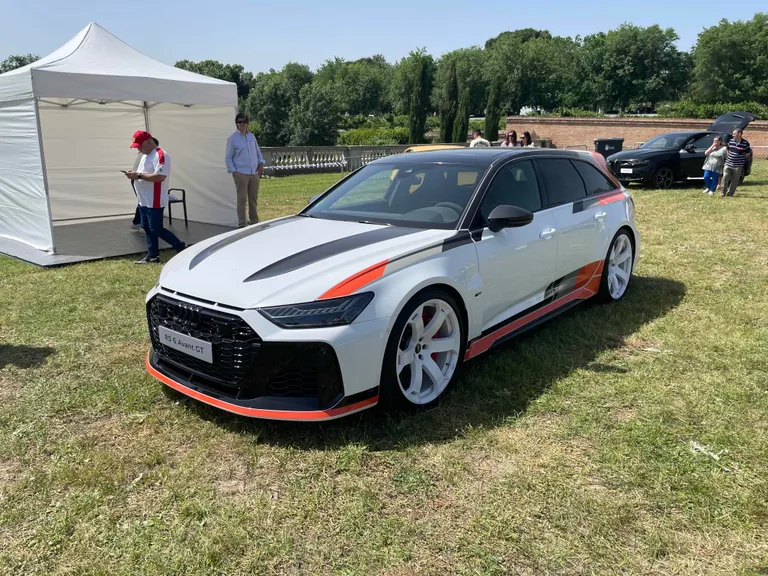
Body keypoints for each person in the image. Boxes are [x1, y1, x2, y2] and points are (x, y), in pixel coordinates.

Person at [126, 130, 185, 264]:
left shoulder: (160, 155)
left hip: (155, 199)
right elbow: (144, 173)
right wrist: (135, 174)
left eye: (140, 146)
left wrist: (138, 175)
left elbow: (160, 177)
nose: (139, 150)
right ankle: (152, 255)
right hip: (144, 199)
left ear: (149, 141)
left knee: (156, 228)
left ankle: (180, 247)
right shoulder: (145, 155)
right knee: (147, 227)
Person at [225, 113, 264, 227]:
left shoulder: (252, 137)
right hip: (241, 173)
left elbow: (257, 152)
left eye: (244, 122)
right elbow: (228, 157)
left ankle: (254, 221)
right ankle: (242, 223)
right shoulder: (232, 139)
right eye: (240, 122)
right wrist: (234, 171)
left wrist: (261, 163)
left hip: (254, 172)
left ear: (247, 124)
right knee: (242, 199)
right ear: (236, 124)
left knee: (253, 199)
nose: (242, 124)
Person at [131, 137, 160, 231]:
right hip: (140, 178)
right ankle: (140, 223)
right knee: (143, 201)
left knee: (143, 201)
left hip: (140, 178)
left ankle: (141, 223)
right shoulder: (146, 155)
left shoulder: (150, 154)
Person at [721, 128, 751, 197]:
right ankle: (723, 192)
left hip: (738, 166)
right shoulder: (731, 141)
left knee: (734, 181)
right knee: (725, 178)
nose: (733, 135)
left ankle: (730, 193)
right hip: (728, 164)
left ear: (739, 134)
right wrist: (729, 156)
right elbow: (728, 149)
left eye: (734, 134)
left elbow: (748, 153)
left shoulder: (745, 143)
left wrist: (741, 157)